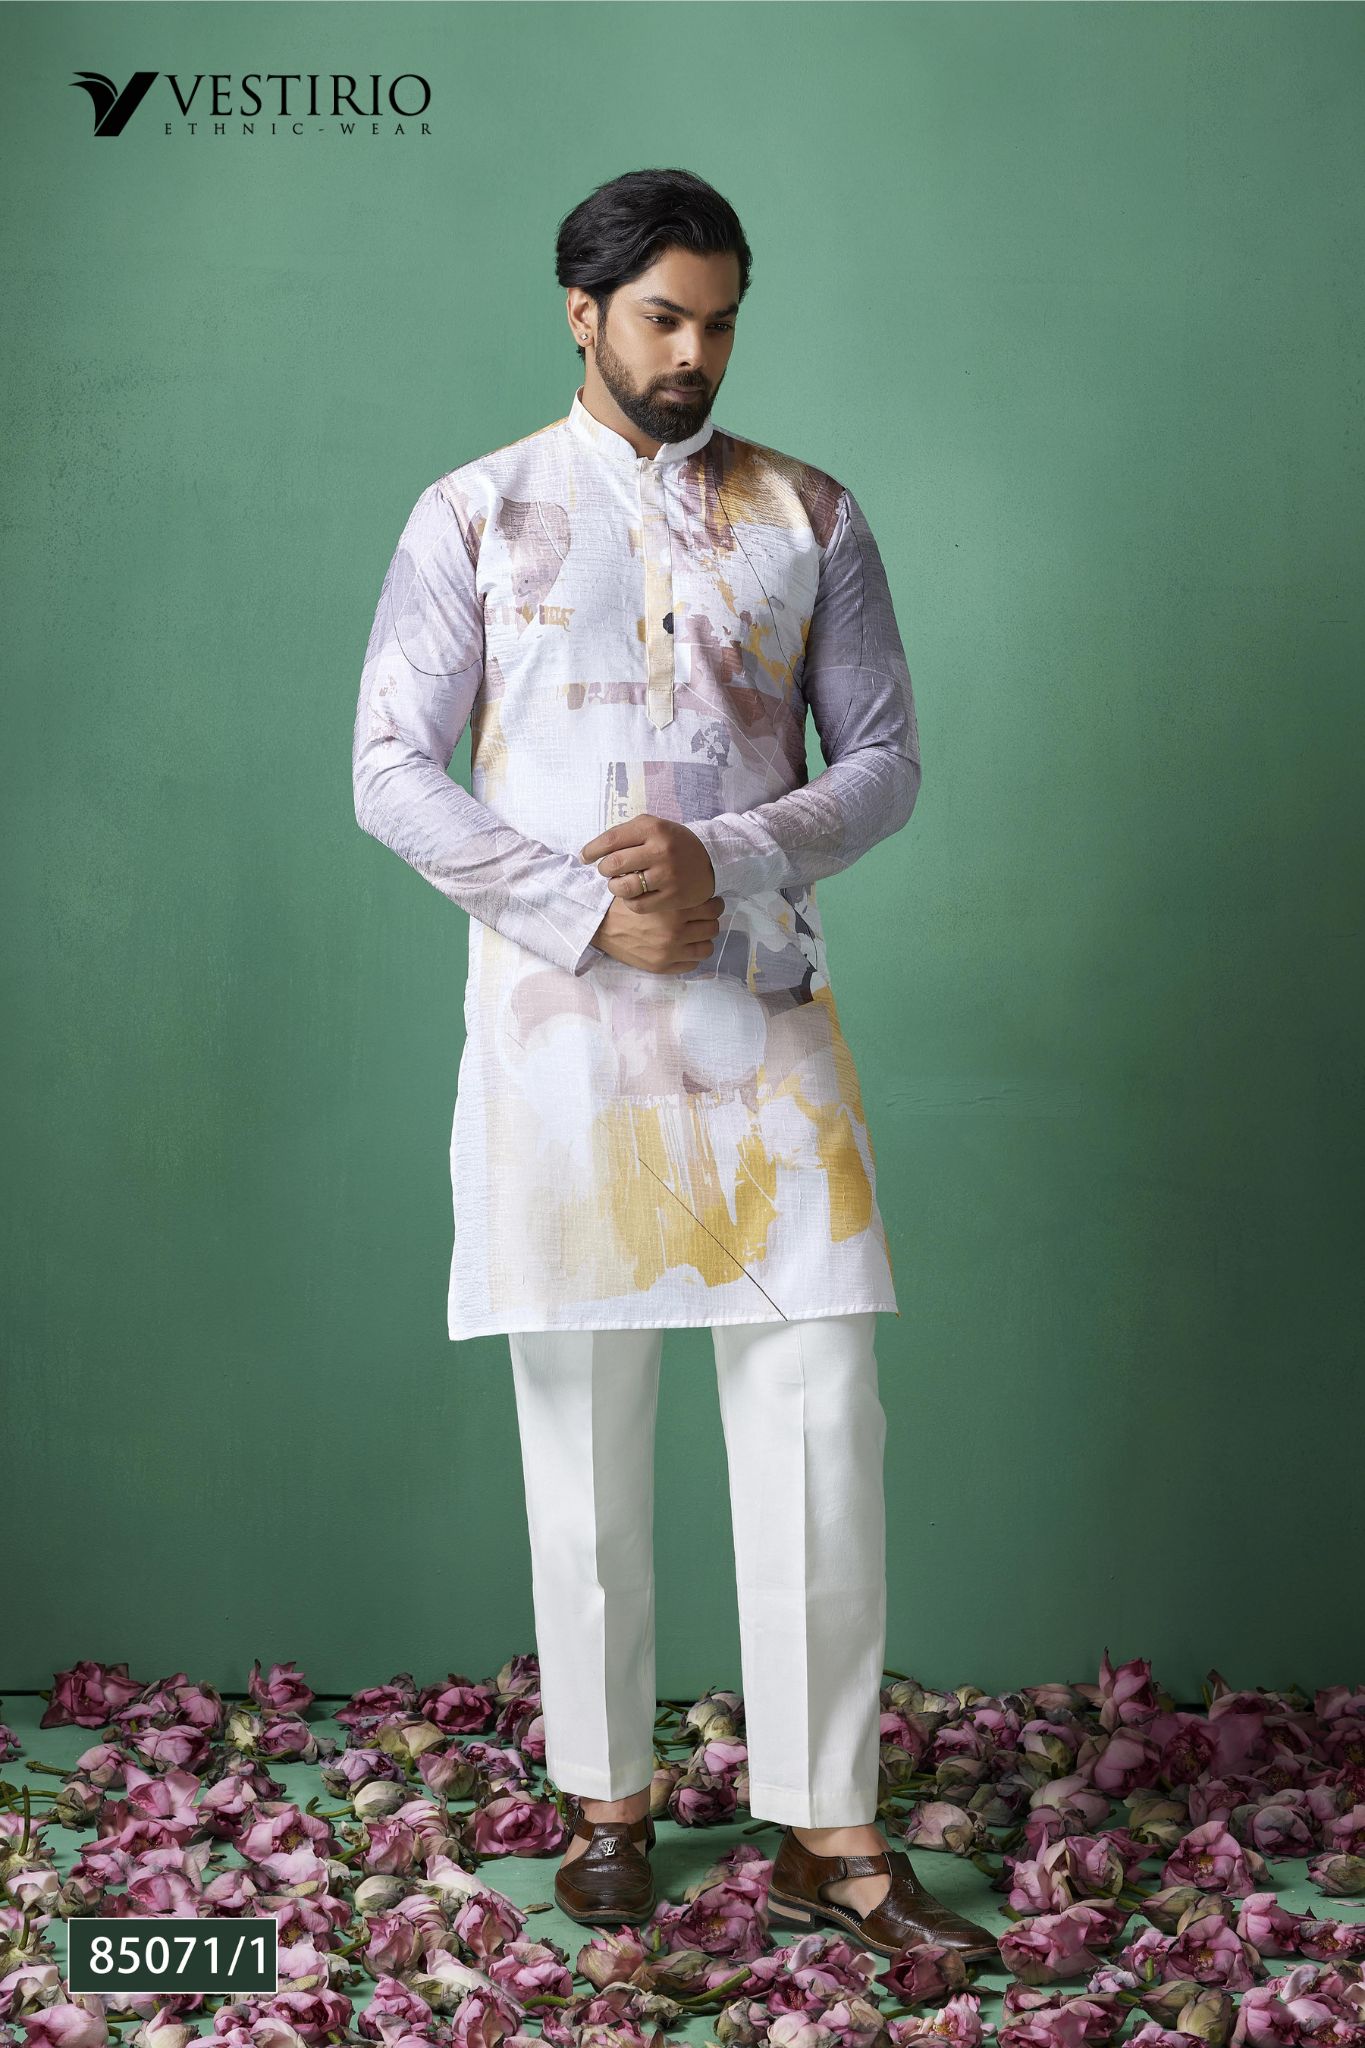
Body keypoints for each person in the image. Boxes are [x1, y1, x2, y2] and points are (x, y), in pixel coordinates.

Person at [352, 166, 996, 1962]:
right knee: (580, 1424)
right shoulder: (474, 514)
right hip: (556, 1034)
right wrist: (579, 911)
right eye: (660, 319)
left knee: (818, 1410)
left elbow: (882, 761)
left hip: (762, 1016)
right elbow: (389, 767)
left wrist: (725, 859)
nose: (691, 354)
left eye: (717, 322)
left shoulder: (808, 514)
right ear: (582, 312)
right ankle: (605, 1802)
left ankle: (827, 1826)